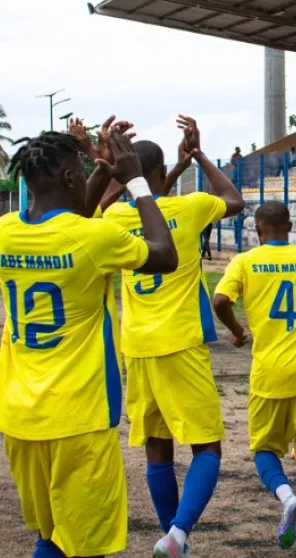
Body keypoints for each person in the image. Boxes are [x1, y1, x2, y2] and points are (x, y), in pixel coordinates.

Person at [0, 129, 179, 558]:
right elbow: (164, 254)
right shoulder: (95, 240)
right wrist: (135, 181)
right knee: (84, 546)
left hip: (21, 415)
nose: (84, 179)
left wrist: (100, 169)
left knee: (49, 537)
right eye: (79, 172)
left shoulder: (5, 231)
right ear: (66, 177)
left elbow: (72, 218)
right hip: (79, 416)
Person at [102, 116, 245, 558]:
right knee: (206, 448)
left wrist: (120, 170)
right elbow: (233, 199)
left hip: (138, 347)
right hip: (180, 343)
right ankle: (178, 534)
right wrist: (197, 155)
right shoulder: (189, 208)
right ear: (163, 174)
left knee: (157, 452)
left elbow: (130, 200)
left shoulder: (113, 216)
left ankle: (171, 537)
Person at [212, 201, 296, 558]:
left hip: (269, 371)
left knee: (263, 450)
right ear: (290, 226)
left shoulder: (244, 261)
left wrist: (238, 330)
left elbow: (219, 300)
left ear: (257, 231)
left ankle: (286, 496)